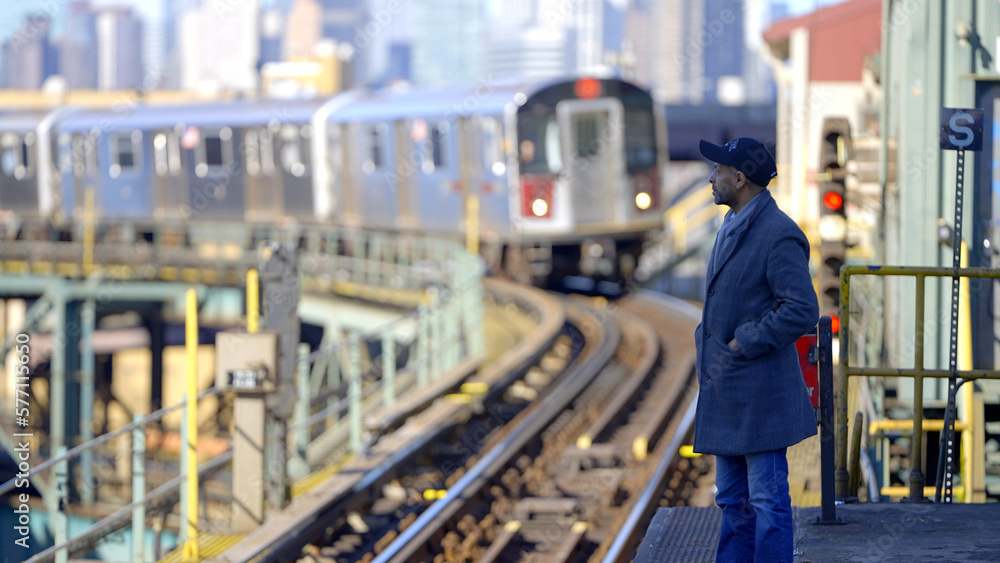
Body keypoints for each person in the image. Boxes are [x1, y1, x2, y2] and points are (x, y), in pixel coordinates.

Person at [693, 137, 818, 563]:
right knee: (731, 499)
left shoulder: (778, 233)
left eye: (718, 171)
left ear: (740, 178)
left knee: (766, 499)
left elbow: (802, 309)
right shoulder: (732, 223)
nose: (712, 178)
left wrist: (742, 341)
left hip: (759, 393)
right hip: (729, 388)